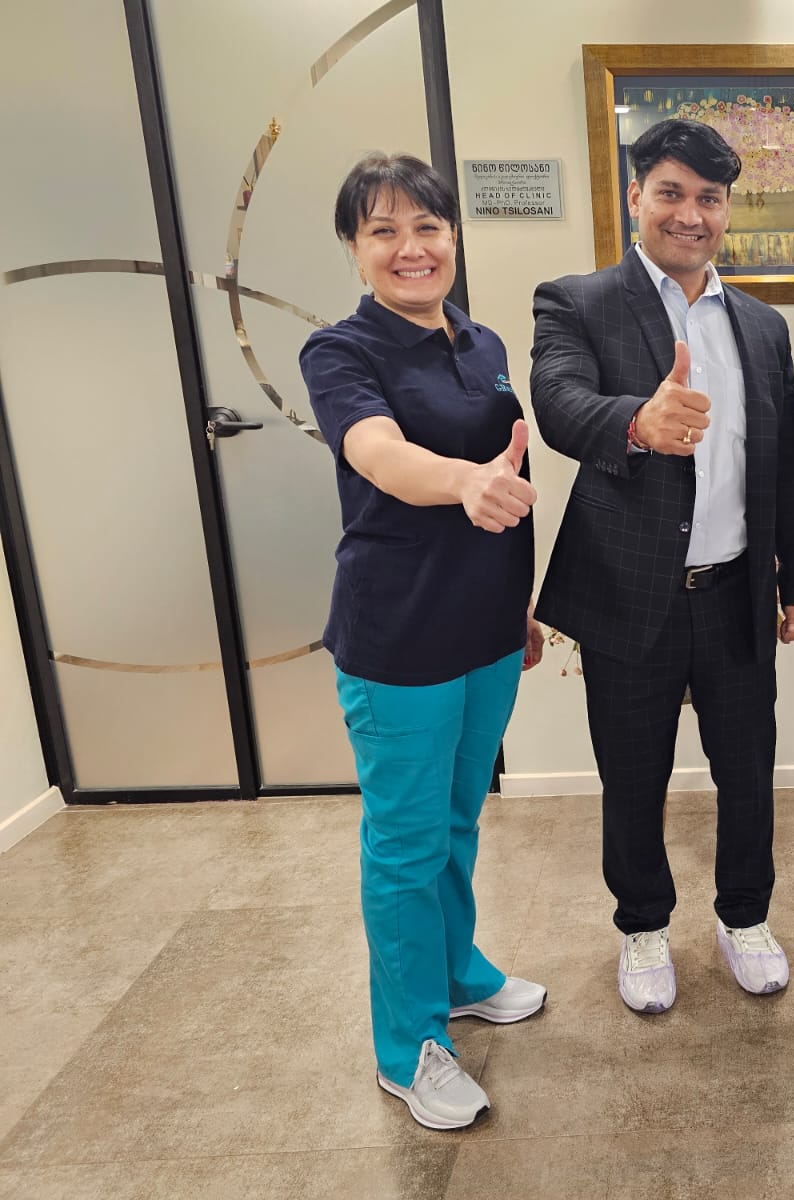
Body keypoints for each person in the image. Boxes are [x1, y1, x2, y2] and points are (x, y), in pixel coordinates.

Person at [528, 118, 794, 1015]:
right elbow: (557, 401)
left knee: (748, 771)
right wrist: (636, 421)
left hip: (736, 591)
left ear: (727, 209)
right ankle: (643, 926)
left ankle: (744, 917)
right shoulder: (577, 301)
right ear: (636, 197)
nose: (690, 214)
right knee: (632, 774)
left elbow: (788, 458)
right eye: (671, 193)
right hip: (628, 592)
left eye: (709, 198)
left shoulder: (761, 326)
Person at [299, 152, 547, 1130]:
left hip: (486, 633)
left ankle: (457, 972)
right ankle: (408, 1047)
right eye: (384, 230)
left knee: (455, 820)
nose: (411, 248)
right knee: (404, 845)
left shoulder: (481, 341)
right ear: (355, 248)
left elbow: (508, 473)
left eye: (428, 227)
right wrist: (463, 481)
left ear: (453, 236)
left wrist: (515, 607)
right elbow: (379, 454)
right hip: (397, 638)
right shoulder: (340, 352)